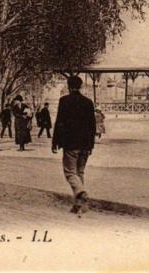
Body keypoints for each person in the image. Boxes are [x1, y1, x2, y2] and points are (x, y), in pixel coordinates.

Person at [52, 75, 96, 216]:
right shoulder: (88, 102)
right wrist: (91, 145)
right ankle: (78, 205)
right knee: (79, 172)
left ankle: (80, 192)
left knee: (70, 172)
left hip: (70, 143)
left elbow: (60, 123)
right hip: (85, 144)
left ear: (69, 86)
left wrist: (55, 142)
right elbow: (92, 126)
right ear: (81, 86)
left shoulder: (64, 101)